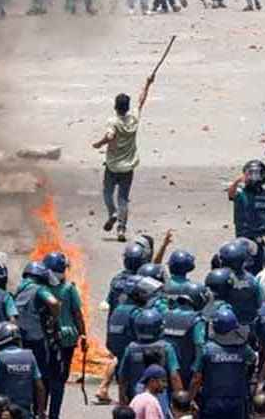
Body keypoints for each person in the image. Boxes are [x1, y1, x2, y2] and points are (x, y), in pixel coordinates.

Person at [95, 83, 153, 242]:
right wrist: (147, 84)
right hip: (128, 167)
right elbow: (141, 101)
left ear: (115, 107)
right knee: (123, 198)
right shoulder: (134, 118)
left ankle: (112, 213)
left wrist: (100, 144)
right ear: (127, 107)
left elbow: (110, 136)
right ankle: (121, 229)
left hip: (113, 166)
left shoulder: (113, 122)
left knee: (107, 193)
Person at [42, 252, 87, 419]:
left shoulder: (41, 288)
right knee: (59, 379)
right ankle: (53, 414)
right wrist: (83, 335)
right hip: (66, 340)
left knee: (46, 377)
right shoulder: (68, 289)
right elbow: (77, 314)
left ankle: (42, 411)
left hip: (47, 338)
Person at [0, 322, 45, 418]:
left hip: (2, 412)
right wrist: (41, 412)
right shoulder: (30, 357)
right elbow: (40, 388)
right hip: (25, 412)